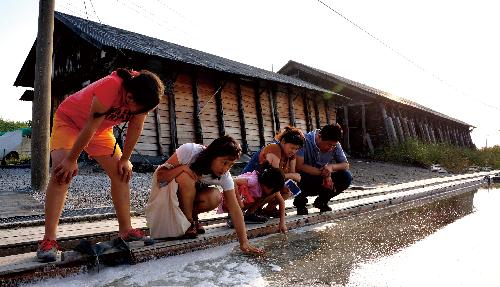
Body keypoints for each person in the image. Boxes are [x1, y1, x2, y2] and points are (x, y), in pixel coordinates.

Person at [36, 68, 165, 262]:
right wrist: (71, 159)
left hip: (101, 130)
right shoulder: (111, 86)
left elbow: (135, 128)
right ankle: (49, 240)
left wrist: (125, 159)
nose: (137, 112)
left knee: (122, 173)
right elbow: (90, 125)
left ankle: (126, 230)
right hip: (70, 121)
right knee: (61, 172)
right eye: (136, 107)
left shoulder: (144, 95)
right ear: (129, 96)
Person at [145, 136, 264, 255]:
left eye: (230, 165)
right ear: (213, 155)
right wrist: (183, 168)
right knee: (185, 177)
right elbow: (160, 176)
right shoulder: (189, 151)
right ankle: (189, 223)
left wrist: (244, 242)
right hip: (168, 198)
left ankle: (191, 218)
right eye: (224, 162)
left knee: (215, 196)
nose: (225, 169)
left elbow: (235, 208)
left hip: (190, 200)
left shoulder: (225, 176)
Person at [241, 126, 305, 218]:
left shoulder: (291, 155)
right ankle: (250, 212)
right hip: (250, 183)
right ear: (283, 142)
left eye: (297, 149)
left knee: (288, 190)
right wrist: (292, 175)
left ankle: (268, 210)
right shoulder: (274, 148)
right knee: (274, 187)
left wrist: (292, 177)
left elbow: (294, 176)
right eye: (292, 147)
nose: (294, 151)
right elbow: (274, 177)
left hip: (263, 182)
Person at [294, 123, 352, 215]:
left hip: (322, 179)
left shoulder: (335, 144)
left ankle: (321, 201)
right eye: (329, 145)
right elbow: (299, 166)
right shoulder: (304, 140)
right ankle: (300, 204)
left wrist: (331, 167)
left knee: (346, 176)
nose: (331, 148)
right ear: (319, 137)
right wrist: (325, 174)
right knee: (298, 175)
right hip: (305, 178)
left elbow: (345, 165)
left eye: (333, 146)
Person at [227, 164, 287, 233]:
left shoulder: (270, 188)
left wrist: (282, 222)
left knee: (266, 195)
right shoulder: (253, 181)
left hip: (245, 202)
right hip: (234, 202)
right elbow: (233, 181)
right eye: (271, 189)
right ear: (267, 183)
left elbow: (281, 202)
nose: (272, 191)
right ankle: (232, 216)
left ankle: (249, 214)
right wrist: (238, 200)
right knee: (254, 196)